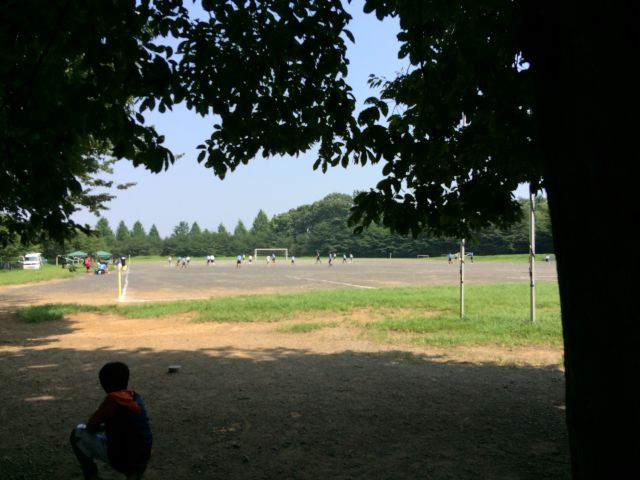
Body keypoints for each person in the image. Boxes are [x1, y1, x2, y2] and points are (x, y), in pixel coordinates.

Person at [70, 362, 152, 480]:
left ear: (104, 384)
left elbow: (90, 428)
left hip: (123, 460)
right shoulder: (135, 397)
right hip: (144, 455)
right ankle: (134, 472)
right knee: (127, 439)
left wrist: (104, 426)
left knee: (77, 434)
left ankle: (91, 475)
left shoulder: (112, 400)